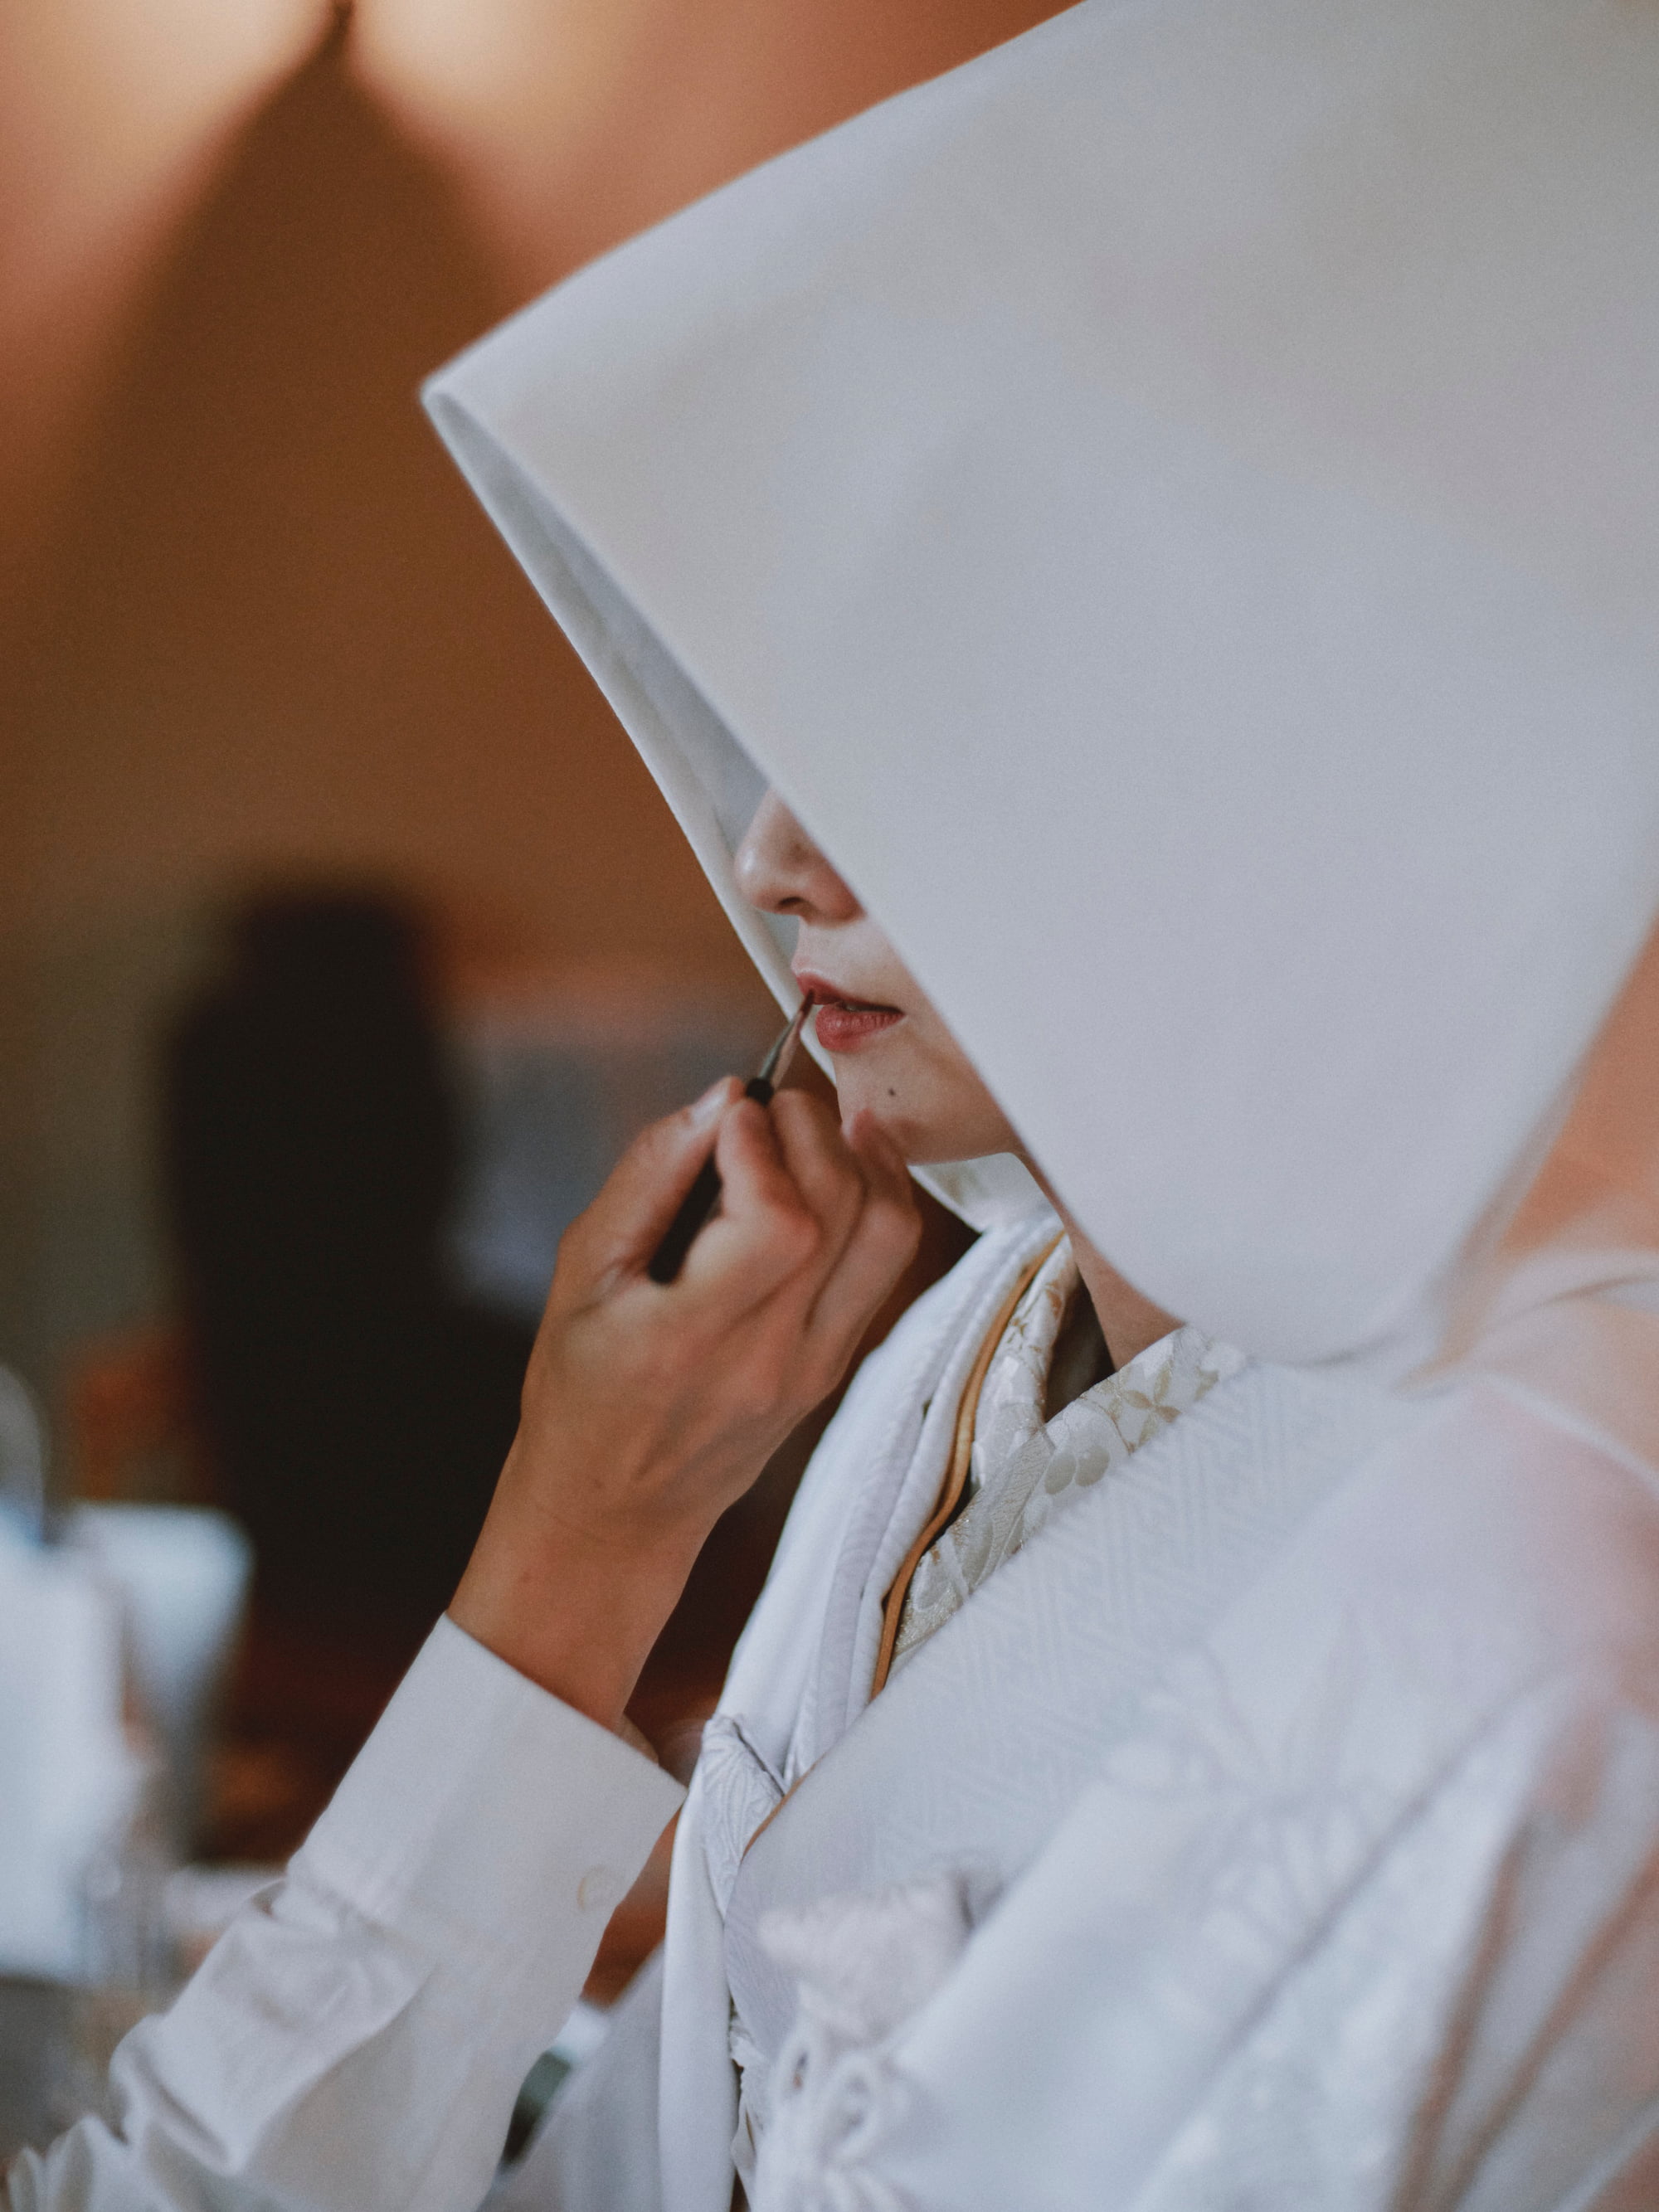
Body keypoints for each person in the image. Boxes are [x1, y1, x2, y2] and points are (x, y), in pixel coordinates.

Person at [12, 0, 1659, 2206]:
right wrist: (576, 1558)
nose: (775, 858)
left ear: (1294, 719)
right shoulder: (949, 1357)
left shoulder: (1532, 1570)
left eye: (935, 717)